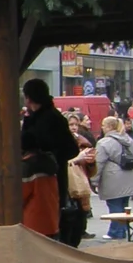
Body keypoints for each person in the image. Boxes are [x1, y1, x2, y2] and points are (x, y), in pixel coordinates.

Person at [21, 79, 80, 242]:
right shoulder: (38, 117)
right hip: (49, 177)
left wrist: (50, 155)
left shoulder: (50, 118)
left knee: (47, 228)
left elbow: (71, 148)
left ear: (29, 97)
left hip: (49, 177)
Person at [93, 116, 133, 238]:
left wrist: (93, 180)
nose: (102, 128)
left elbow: (99, 163)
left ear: (109, 127)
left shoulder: (104, 143)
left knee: (114, 206)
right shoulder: (128, 140)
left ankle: (115, 232)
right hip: (128, 176)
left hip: (112, 178)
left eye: (103, 125)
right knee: (124, 205)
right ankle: (123, 230)